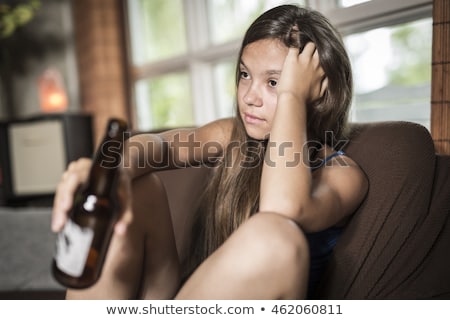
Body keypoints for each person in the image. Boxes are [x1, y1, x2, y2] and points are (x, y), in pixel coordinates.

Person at [51, 4, 368, 299]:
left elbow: (282, 207)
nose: (249, 97)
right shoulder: (233, 136)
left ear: (320, 93)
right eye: (245, 75)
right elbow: (162, 147)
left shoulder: (342, 174)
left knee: (275, 235)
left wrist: (292, 97)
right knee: (138, 185)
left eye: (274, 82)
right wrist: (112, 173)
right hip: (180, 295)